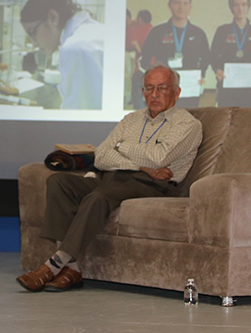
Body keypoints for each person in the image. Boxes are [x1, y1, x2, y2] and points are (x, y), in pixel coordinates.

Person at [16, 65, 201, 292]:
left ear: (177, 92)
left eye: (162, 88)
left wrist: (122, 146)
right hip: (114, 176)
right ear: (142, 92)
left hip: (154, 184)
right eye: (149, 88)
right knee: (59, 182)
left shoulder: (188, 124)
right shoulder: (131, 119)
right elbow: (102, 155)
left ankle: (53, 265)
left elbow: (159, 157)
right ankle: (73, 269)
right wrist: (140, 165)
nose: (155, 94)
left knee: (99, 196)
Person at [21, 0, 103, 110]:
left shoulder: (75, 48)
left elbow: (77, 115)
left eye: (33, 33)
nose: (34, 43)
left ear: (53, 18)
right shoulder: (89, 30)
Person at [140, 0, 210, 109]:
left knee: (188, 117)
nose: (181, 7)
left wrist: (202, 75)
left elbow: (206, 57)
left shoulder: (198, 33)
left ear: (190, 6)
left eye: (185, 3)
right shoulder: (157, 32)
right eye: (177, 2)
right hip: (164, 89)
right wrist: (154, 75)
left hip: (190, 88)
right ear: (169, 5)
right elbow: (143, 59)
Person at [210, 0, 251, 107]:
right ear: (231, 7)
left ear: (249, 6)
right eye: (236, 5)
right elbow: (213, 55)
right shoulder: (222, 30)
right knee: (224, 114)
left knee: (244, 114)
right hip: (226, 83)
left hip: (246, 84)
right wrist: (217, 70)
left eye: (244, 4)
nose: (240, 8)